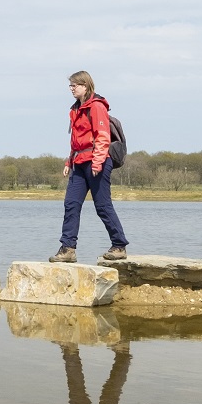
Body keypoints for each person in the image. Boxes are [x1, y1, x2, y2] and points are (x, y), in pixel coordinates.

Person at [49, 70, 128, 263]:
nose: (72, 89)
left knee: (102, 205)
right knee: (71, 204)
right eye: (70, 86)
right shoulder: (75, 109)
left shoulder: (97, 106)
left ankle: (119, 245)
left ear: (85, 85)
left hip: (96, 162)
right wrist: (69, 161)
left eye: (75, 85)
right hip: (79, 162)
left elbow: (102, 135)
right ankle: (68, 248)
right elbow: (76, 140)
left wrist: (98, 161)